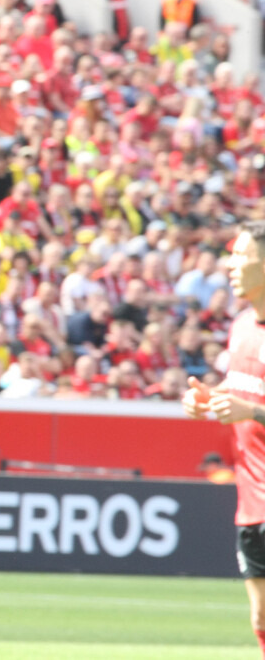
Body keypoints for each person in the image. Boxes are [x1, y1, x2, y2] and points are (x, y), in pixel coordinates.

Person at [183, 220, 265, 656]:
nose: (232, 266)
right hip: (251, 500)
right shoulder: (241, 327)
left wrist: (250, 411)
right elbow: (241, 394)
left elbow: (251, 406)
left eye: (242, 257)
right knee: (259, 618)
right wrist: (208, 401)